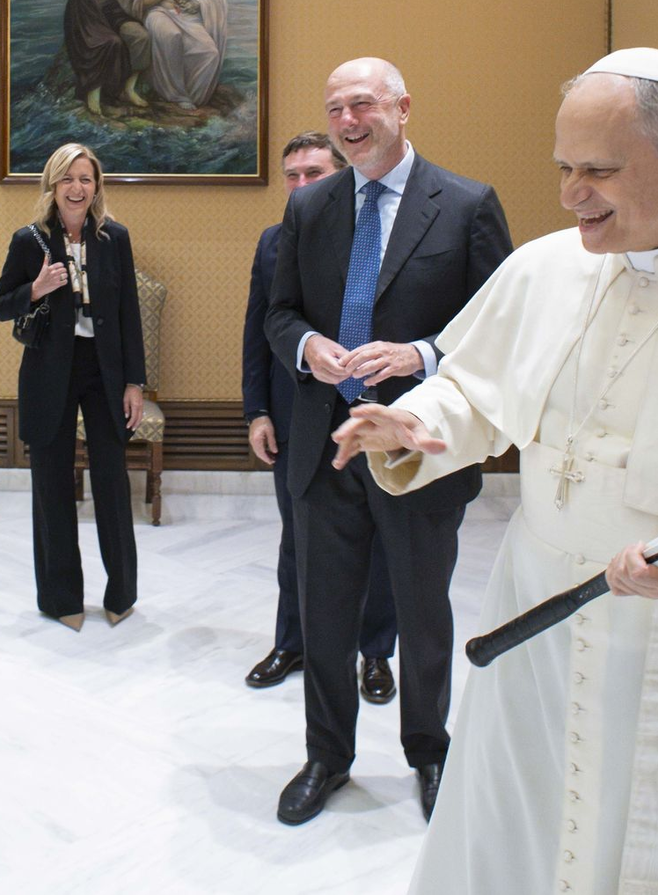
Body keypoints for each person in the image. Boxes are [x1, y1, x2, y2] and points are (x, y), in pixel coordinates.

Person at [333, 48, 658, 893]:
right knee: (523, 811)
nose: (570, 195)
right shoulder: (547, 266)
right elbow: (476, 387)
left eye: (599, 170)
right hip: (539, 601)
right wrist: (412, 421)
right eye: (563, 167)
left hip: (646, 622)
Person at [265, 57, 511, 827]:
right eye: (335, 107)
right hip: (326, 447)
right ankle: (326, 756)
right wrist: (310, 348)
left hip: (417, 448)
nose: (347, 121)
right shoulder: (310, 210)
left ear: (403, 107)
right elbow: (280, 314)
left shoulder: (467, 204)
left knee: (422, 609)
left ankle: (428, 748)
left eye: (362, 104)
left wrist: (420, 355)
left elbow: (498, 325)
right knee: (326, 613)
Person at [242, 131, 398, 697]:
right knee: (299, 539)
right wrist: (257, 411)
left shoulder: (385, 231)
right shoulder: (273, 242)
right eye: (293, 175)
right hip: (298, 417)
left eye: (314, 173)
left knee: (382, 539)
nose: (302, 184)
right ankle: (292, 642)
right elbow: (261, 330)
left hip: (378, 414)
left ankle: (376, 653)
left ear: (341, 174)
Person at [0, 142, 146, 629]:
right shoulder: (29, 240)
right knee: (52, 486)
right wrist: (36, 288)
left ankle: (121, 595)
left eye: (86, 179)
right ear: (52, 187)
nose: (77, 188)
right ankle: (62, 600)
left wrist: (135, 383)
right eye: (68, 180)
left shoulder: (113, 238)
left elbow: (128, 316)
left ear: (96, 186)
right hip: (49, 372)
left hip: (106, 372)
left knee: (112, 484)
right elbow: (1, 305)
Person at [63, 0, 182, 115]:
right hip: (90, 14)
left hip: (113, 11)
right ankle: (93, 97)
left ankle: (129, 90)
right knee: (112, 43)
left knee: (141, 37)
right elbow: (130, 2)